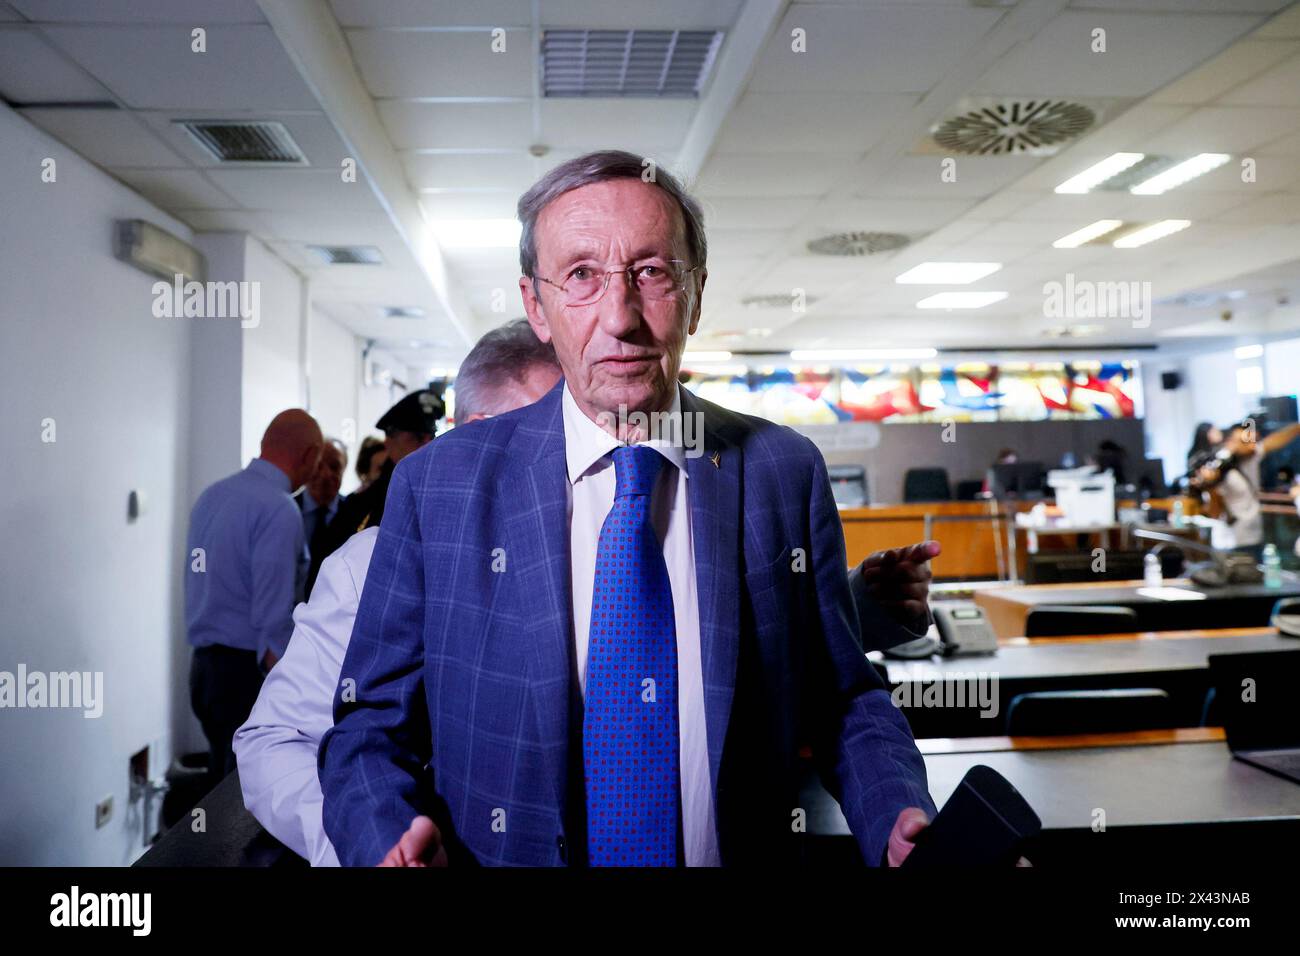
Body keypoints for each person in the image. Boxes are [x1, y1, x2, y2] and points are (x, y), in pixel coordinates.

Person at [318, 150, 935, 869]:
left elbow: (844, 699)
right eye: (581, 275)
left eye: (652, 272)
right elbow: (367, 725)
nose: (621, 316)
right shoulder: (439, 487)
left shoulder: (781, 471)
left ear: (697, 293)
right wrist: (383, 836)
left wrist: (895, 808)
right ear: (535, 306)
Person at [237, 321, 939, 866]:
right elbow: (293, 739)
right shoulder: (378, 561)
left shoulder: (742, 486)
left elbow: (751, 654)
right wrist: (375, 840)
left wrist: (862, 609)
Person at [185, 409, 323, 786]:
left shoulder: (213, 495)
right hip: (244, 677)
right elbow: (273, 618)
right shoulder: (279, 509)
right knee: (243, 805)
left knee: (218, 789)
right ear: (309, 455)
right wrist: (294, 696)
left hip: (205, 671)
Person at [313, 389, 443, 566]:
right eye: (417, 438)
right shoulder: (366, 502)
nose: (428, 446)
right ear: (390, 442)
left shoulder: (442, 493)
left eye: (432, 437)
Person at [1190, 420, 1300, 559]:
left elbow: (1273, 442)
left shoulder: (1250, 457)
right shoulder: (1219, 468)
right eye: (1245, 441)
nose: (1252, 445)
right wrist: (1211, 486)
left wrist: (1297, 427)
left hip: (1253, 536)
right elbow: (1214, 511)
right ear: (1230, 443)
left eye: (1253, 440)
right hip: (1230, 541)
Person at [300, 438, 347, 597]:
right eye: (318, 465)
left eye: (334, 467)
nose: (326, 474)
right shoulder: (287, 511)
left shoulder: (353, 513)